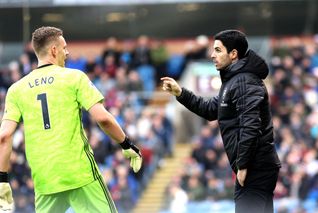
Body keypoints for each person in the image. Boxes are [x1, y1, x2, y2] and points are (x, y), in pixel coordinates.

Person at [0, 26, 142, 213]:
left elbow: (4, 137)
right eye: (64, 47)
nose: (67, 52)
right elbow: (103, 119)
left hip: (45, 180)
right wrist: (126, 144)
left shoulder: (16, 90)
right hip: (80, 174)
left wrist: (2, 180)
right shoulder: (74, 78)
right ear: (53, 50)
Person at [161, 29, 281, 213]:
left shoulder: (244, 80)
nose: (212, 55)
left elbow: (251, 124)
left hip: (255, 167)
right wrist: (180, 93)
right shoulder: (234, 81)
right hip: (257, 166)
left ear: (233, 54)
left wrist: (243, 165)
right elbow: (210, 110)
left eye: (218, 50)